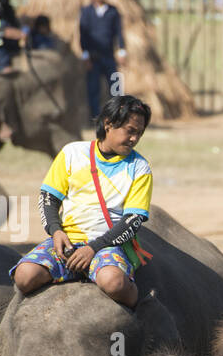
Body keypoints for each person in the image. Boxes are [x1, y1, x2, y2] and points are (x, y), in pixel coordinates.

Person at [12, 94, 153, 308]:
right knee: (24, 276)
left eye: (139, 134)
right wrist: (55, 231)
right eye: (130, 131)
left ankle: (138, 301)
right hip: (67, 242)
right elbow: (49, 198)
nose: (134, 139)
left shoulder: (140, 168)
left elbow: (133, 220)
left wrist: (93, 248)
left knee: (114, 283)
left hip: (107, 245)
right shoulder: (72, 152)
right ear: (108, 124)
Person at [78, 0, 127, 121]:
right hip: (93, 57)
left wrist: (121, 50)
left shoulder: (112, 11)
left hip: (109, 56)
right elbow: (83, 34)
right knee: (93, 89)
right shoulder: (86, 12)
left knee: (115, 87)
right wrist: (85, 55)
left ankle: (118, 116)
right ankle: (95, 118)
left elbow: (119, 32)